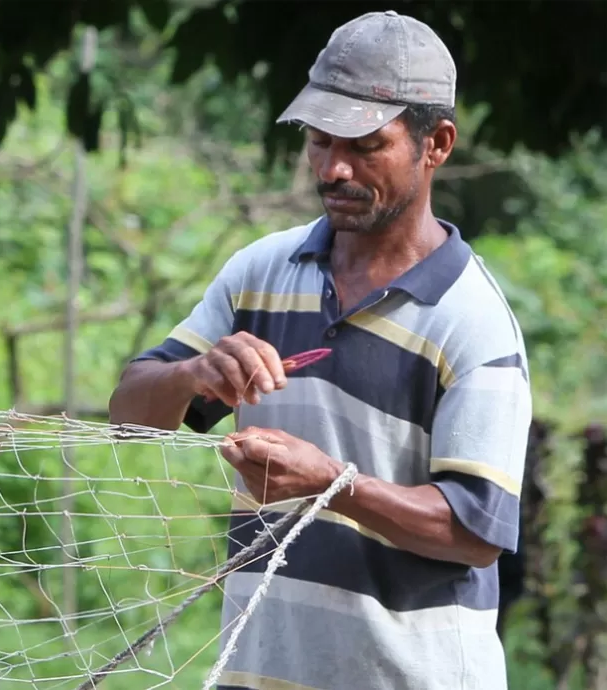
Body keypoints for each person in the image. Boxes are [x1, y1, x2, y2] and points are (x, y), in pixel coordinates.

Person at [108, 10, 532, 690]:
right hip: (259, 672)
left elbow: (475, 531)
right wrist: (194, 372)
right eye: (318, 140)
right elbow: (128, 415)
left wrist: (332, 484)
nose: (334, 168)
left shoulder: (472, 320)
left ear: (437, 144)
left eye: (367, 146)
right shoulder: (261, 272)